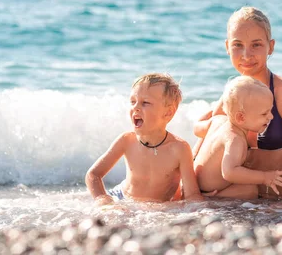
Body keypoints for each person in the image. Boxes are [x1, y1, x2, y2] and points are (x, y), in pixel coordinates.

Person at [193, 7, 282, 200]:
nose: (246, 54)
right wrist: (191, 195)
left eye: (256, 45)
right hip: (228, 208)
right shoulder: (234, 92)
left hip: (274, 210)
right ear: (227, 47)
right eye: (237, 45)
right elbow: (202, 145)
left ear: (271, 46)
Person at [86, 73, 202, 205]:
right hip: (121, 198)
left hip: (157, 207)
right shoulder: (126, 140)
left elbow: (192, 194)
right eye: (133, 101)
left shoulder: (179, 149)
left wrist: (203, 209)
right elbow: (93, 175)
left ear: (168, 112)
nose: (135, 107)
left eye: (145, 103)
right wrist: (103, 200)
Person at [194, 76, 282, 199]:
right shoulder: (235, 139)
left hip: (196, 183)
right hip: (209, 190)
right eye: (264, 113)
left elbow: (197, 130)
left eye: (270, 111)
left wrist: (209, 115)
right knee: (250, 190)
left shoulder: (217, 121)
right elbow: (229, 172)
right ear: (240, 118)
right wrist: (264, 177)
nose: (271, 117)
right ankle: (212, 198)